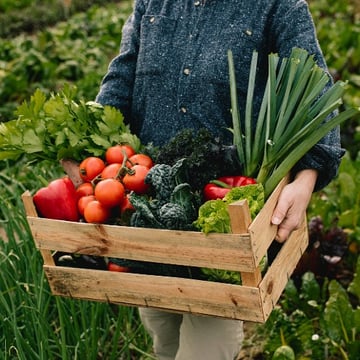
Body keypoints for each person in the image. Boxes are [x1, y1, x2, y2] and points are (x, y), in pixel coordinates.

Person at [95, 1, 344, 359]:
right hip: (148, 206)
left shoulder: (278, 6)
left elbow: (316, 91)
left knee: (206, 348)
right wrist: (89, 142)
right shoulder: (151, 3)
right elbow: (122, 76)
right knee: (164, 338)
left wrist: (305, 180)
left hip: (222, 219)